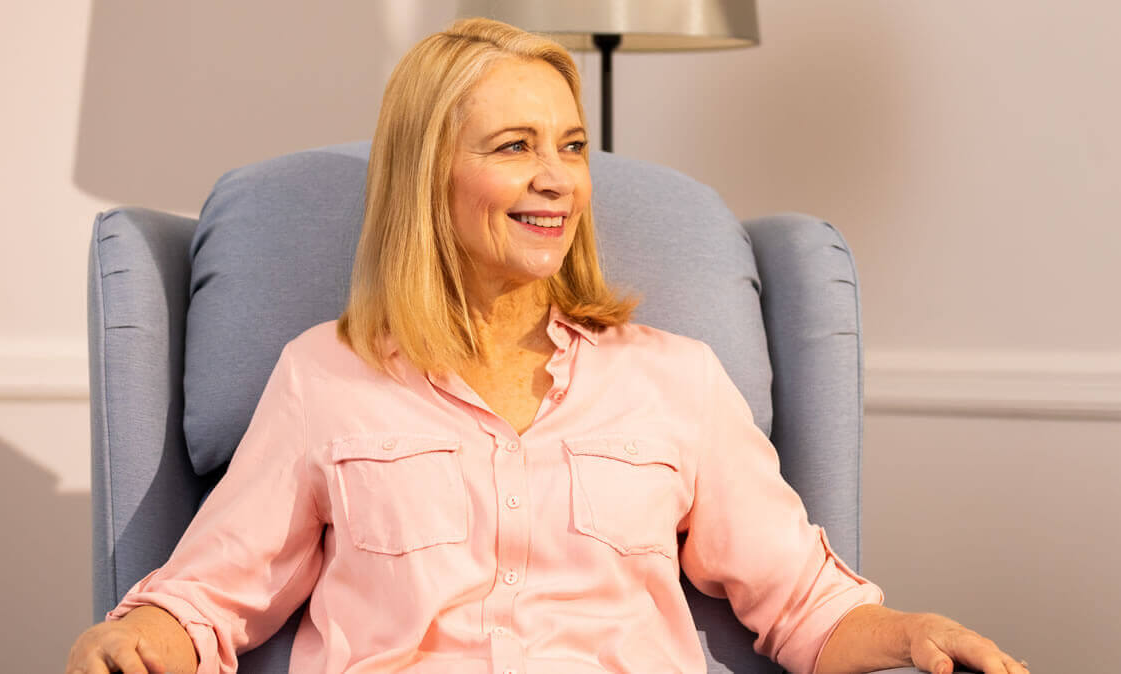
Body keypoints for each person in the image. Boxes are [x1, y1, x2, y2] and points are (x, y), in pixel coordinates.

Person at [66, 18, 1026, 674]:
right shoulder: (326, 376)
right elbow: (207, 597)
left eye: (570, 146)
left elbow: (806, 601)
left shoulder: (674, 380)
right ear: (427, 175)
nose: (558, 180)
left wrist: (909, 632)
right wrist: (135, 638)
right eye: (515, 147)